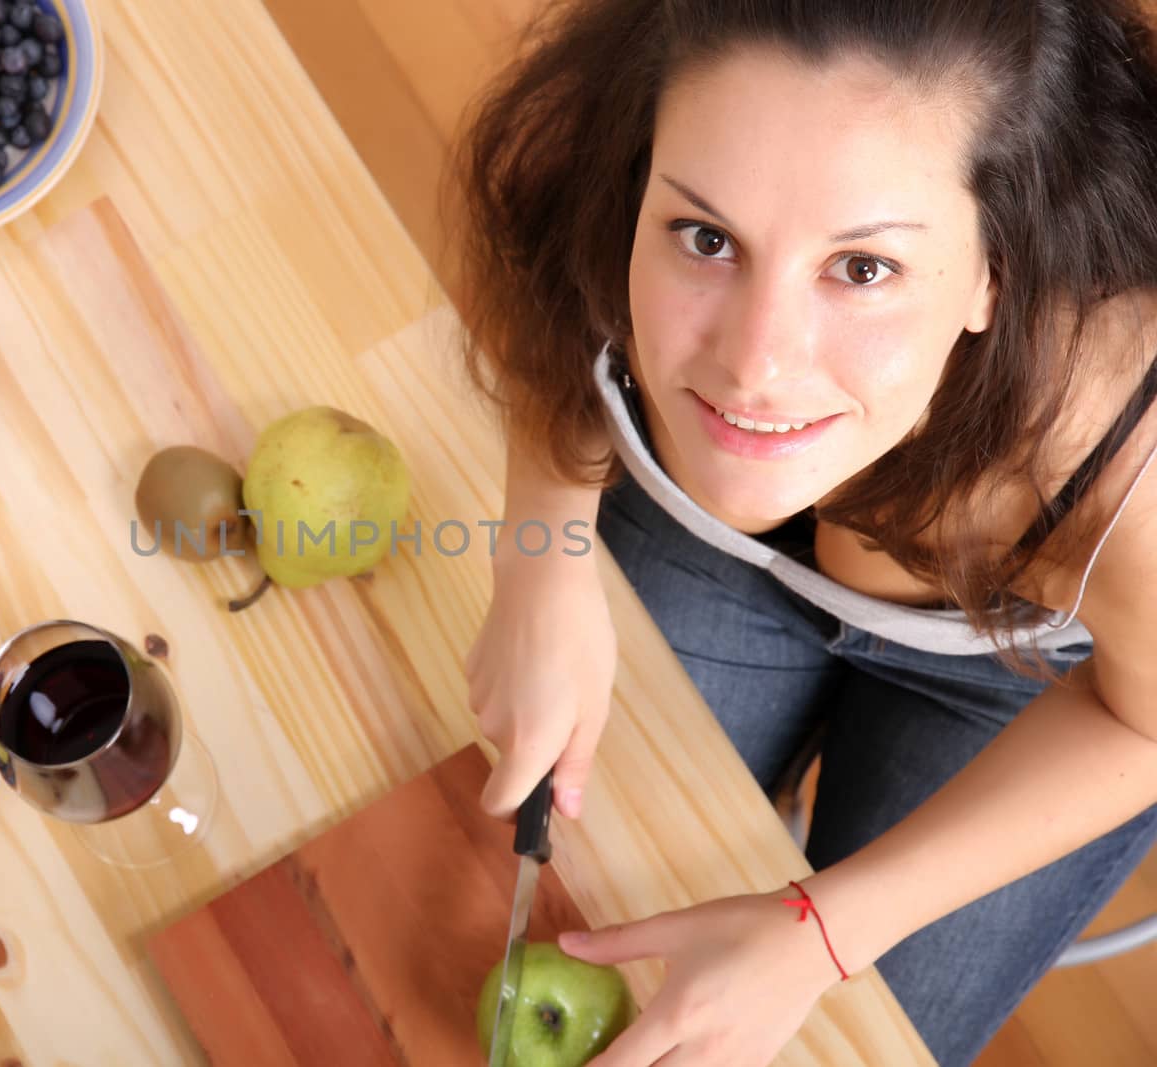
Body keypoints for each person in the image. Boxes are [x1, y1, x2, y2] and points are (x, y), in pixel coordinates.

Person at [453, 1, 1157, 1064]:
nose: (755, 366)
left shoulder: (1127, 455)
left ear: (994, 271)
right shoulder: (610, 133)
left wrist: (822, 930)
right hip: (706, 537)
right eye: (705, 237)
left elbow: (1146, 722)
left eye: (862, 268)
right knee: (560, 897)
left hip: (1022, 682)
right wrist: (540, 558)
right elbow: (542, 283)